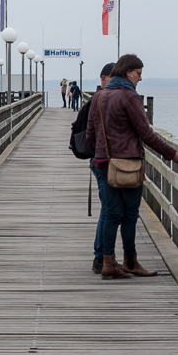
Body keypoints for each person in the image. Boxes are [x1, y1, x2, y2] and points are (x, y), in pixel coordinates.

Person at [85, 54, 178, 280]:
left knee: (110, 213)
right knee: (130, 214)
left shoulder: (99, 96)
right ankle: (130, 261)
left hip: (102, 161)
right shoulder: (130, 97)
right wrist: (172, 154)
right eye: (138, 73)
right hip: (127, 163)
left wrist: (104, 150)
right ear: (128, 71)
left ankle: (108, 263)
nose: (140, 78)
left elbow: (91, 134)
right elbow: (146, 133)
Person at [72, 63, 113, 273]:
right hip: (103, 162)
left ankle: (102, 257)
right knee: (108, 211)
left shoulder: (95, 100)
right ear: (103, 79)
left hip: (99, 161)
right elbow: (91, 134)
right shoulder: (98, 102)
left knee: (107, 210)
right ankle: (101, 258)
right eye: (112, 78)